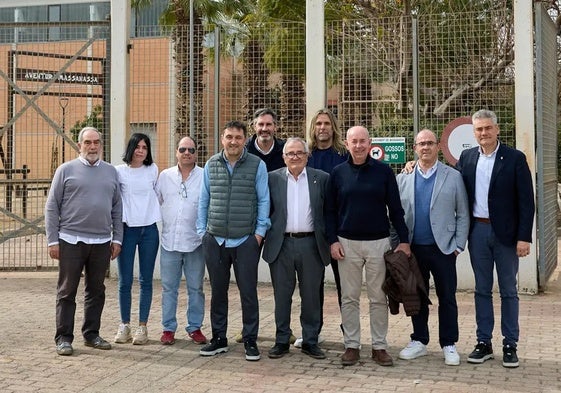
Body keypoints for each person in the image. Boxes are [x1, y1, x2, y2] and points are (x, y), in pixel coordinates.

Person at [326, 125, 410, 367]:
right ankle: (351, 345)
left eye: (363, 141)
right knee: (349, 298)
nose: (359, 146)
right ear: (347, 143)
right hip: (346, 244)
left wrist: (403, 240)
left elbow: (396, 210)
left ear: (370, 143)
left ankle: (379, 346)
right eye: (355, 141)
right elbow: (330, 211)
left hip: (379, 243)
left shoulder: (384, 173)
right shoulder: (338, 173)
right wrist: (332, 240)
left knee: (378, 298)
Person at [458, 110, 535, 368]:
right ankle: (484, 343)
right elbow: (450, 183)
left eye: (488, 128)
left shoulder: (514, 158)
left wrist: (524, 238)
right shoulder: (467, 158)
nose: (484, 133)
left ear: (497, 129)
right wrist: (413, 166)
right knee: (481, 290)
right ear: (474, 132)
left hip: (506, 235)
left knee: (508, 291)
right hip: (477, 232)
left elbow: (527, 202)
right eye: (479, 129)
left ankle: (510, 344)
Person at [45, 127, 123, 356]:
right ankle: (64, 338)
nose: (92, 146)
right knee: (67, 290)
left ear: (101, 145)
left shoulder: (111, 172)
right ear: (79, 145)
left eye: (96, 142)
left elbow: (118, 207)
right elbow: (52, 206)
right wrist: (52, 240)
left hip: (101, 241)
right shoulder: (65, 170)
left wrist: (117, 237)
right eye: (87, 142)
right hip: (71, 239)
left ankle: (91, 334)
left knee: (96, 290)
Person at [197, 120, 271, 361]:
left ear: (244, 140)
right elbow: (204, 199)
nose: (233, 141)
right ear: (222, 139)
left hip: (245, 241)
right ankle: (219, 338)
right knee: (218, 292)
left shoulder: (256, 165)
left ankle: (250, 339)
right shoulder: (211, 164)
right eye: (229, 137)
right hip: (215, 240)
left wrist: (259, 234)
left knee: (248, 292)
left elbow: (264, 201)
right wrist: (202, 232)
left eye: (238, 137)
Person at [395, 129, 469, 366]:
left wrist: (458, 244)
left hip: (444, 248)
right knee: (416, 295)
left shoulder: (452, 176)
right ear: (414, 148)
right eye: (420, 144)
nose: (425, 147)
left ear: (437, 146)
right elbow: (395, 215)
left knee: (447, 297)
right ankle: (419, 340)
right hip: (413, 247)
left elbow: (463, 214)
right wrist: (398, 243)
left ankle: (449, 343)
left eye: (429, 143)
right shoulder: (403, 177)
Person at [263, 137, 330, 360]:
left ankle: (310, 340)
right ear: (283, 157)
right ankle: (282, 339)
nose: (295, 157)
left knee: (311, 296)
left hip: (311, 244)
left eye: (299, 153)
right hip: (281, 244)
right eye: (290, 153)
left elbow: (329, 212)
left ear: (307, 155)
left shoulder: (321, 179)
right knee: (282, 296)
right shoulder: (272, 179)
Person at [295, 108, 347, 349]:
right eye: (318, 124)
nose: (322, 128)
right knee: (311, 287)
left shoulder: (343, 154)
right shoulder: (306, 155)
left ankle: (350, 333)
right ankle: (311, 332)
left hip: (339, 230)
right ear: (313, 128)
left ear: (333, 127)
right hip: (312, 230)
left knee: (344, 286)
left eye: (326, 123)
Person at [156, 136, 207, 346]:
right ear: (176, 152)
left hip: (196, 242)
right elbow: (157, 201)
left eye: (191, 150)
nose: (187, 153)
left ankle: (195, 327)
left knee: (196, 288)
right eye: (183, 149)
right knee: (169, 288)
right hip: (169, 242)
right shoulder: (164, 176)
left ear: (196, 153)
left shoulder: (205, 176)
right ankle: (168, 328)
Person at [114, 133, 161, 345]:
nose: (141, 150)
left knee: (146, 280)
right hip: (127, 231)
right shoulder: (119, 172)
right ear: (131, 148)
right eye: (138, 146)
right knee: (125, 280)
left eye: (145, 147)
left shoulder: (153, 169)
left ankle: (142, 327)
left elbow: (158, 195)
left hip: (149, 231)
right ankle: (124, 325)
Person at [246, 107, 285, 171]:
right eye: (261, 124)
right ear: (254, 127)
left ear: (275, 127)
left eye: (268, 124)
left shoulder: (285, 150)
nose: (264, 129)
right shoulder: (245, 150)